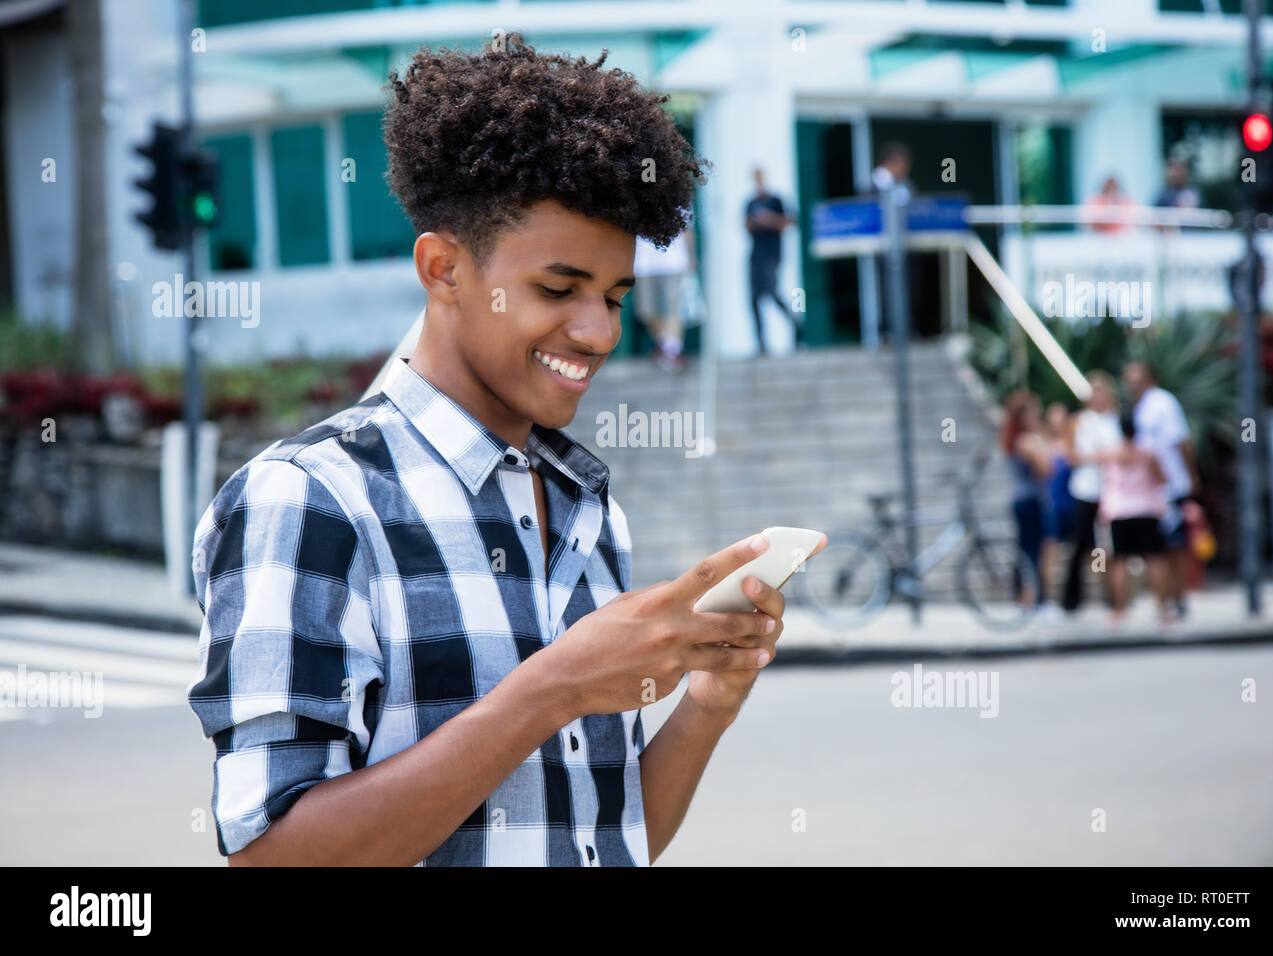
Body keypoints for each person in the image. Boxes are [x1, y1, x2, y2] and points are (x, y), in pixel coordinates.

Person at [186, 33, 824, 868]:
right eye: (558, 290)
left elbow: (600, 837)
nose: (598, 332)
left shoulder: (586, 507)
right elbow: (273, 854)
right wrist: (555, 687)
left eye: (614, 295)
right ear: (443, 268)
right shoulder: (308, 500)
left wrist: (708, 700)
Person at [1123, 360, 1199, 618]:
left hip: (1171, 486)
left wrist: (1190, 476)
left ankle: (1179, 597)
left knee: (1174, 545)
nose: (1131, 380)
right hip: (1149, 491)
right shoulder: (1141, 407)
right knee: (1160, 548)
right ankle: (1166, 599)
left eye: (1136, 374)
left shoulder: (1163, 403)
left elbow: (1181, 440)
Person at [1098, 411, 1173, 625]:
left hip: (1119, 510)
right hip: (1146, 509)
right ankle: (1162, 609)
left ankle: (1120, 610)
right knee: (1155, 559)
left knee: (1120, 560)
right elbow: (1162, 479)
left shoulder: (1111, 453)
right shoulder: (1148, 453)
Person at [1062, 371, 1122, 612]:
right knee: (1082, 545)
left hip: (1112, 491)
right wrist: (1099, 456)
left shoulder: (1115, 420)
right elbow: (1070, 455)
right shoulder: (1079, 421)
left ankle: (1113, 596)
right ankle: (1073, 599)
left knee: (1107, 546)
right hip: (1085, 490)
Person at [1001, 389, 1053, 609]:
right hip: (1031, 500)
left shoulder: (1013, 440)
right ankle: (1031, 599)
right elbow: (1047, 468)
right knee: (1033, 552)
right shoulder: (1027, 441)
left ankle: (1027, 597)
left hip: (1022, 499)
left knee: (1027, 549)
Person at [633, 206, 695, 372]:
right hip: (643, 264)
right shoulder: (636, 196)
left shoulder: (678, 196)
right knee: (646, 311)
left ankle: (671, 351)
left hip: (673, 263)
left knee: (673, 309)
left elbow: (687, 228)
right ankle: (667, 347)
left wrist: (691, 256)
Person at [745, 167, 799, 355]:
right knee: (753, 299)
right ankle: (761, 344)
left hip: (772, 253)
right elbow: (746, 225)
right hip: (756, 254)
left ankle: (795, 323)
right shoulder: (750, 202)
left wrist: (769, 220)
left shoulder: (776, 200)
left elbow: (790, 221)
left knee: (771, 292)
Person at [1039, 402, 1075, 618]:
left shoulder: (1074, 445)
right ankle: (1049, 599)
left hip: (1073, 504)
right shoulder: (1044, 445)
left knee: (1093, 552)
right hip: (1052, 505)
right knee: (1049, 554)